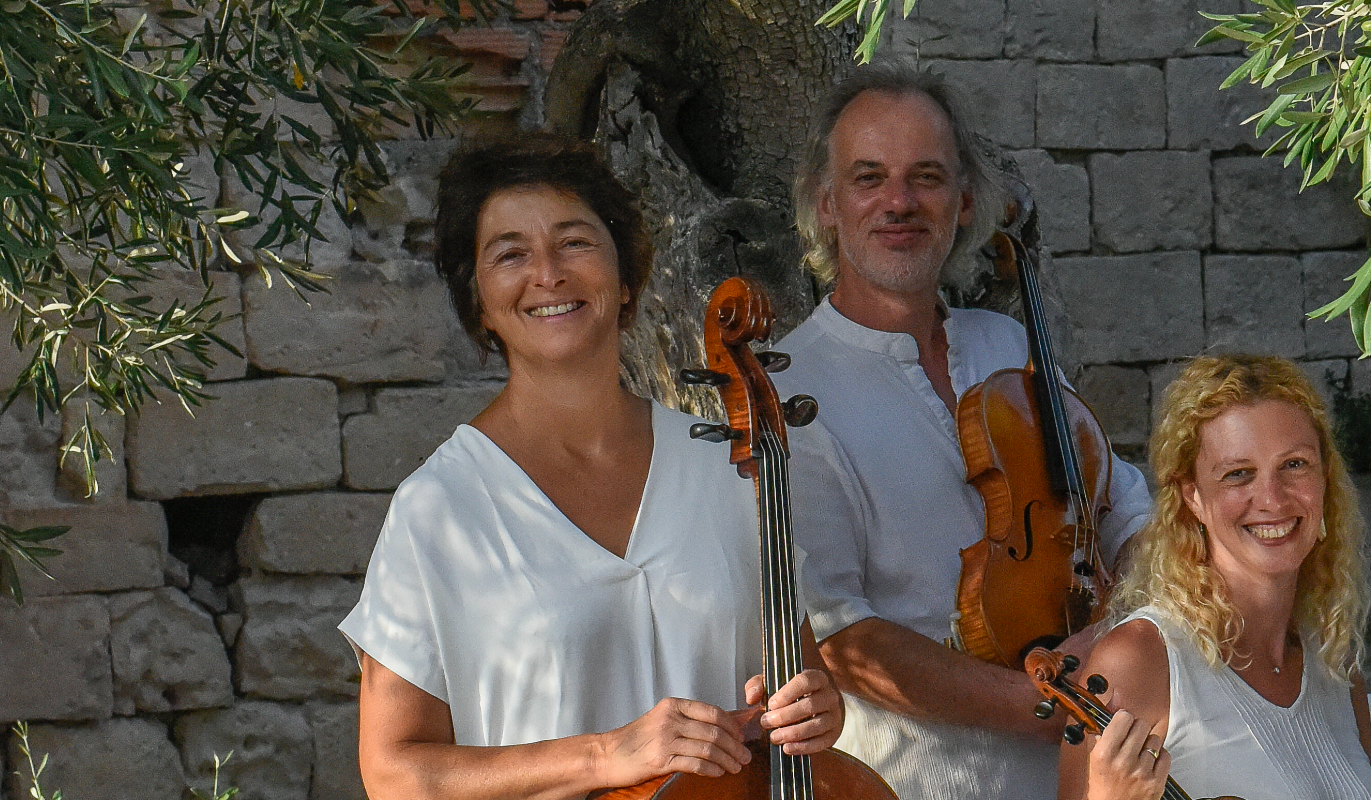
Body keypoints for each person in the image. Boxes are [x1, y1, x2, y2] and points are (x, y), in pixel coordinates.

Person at [340, 134, 845, 799]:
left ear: (626, 275)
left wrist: (817, 711)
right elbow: (394, 774)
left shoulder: (728, 464)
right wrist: (607, 756)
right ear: (480, 302)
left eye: (575, 242)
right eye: (510, 253)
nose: (547, 273)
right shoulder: (441, 507)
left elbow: (802, 686)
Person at [772, 63, 1152, 800]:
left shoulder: (1006, 346)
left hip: (1085, 777)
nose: (899, 202)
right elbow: (844, 637)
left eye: (927, 177)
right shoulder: (792, 391)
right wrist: (1043, 704)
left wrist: (1119, 629)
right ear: (825, 203)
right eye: (868, 177)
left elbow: (1127, 509)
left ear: (965, 199)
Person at [1064, 354, 1371, 800]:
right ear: (1192, 497)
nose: (1271, 499)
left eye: (1294, 465)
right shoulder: (1139, 660)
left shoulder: (1333, 662)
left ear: (1325, 478)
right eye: (1238, 474)